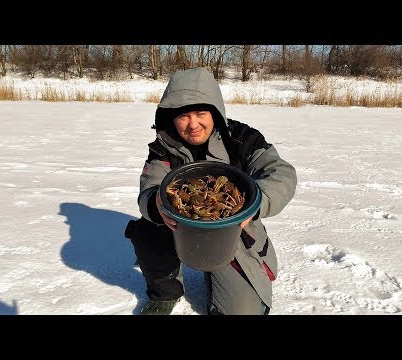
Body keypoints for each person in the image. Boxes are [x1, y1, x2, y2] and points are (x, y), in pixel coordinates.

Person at [125, 67, 297, 315]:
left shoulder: (242, 138)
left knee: (241, 311)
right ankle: (165, 292)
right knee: (147, 230)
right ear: (171, 117)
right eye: (183, 116)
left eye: (200, 113)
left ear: (214, 111)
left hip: (232, 233)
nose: (193, 124)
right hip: (180, 228)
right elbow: (150, 187)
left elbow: (280, 173)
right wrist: (157, 205)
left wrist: (255, 205)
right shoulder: (163, 147)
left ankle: (222, 277)